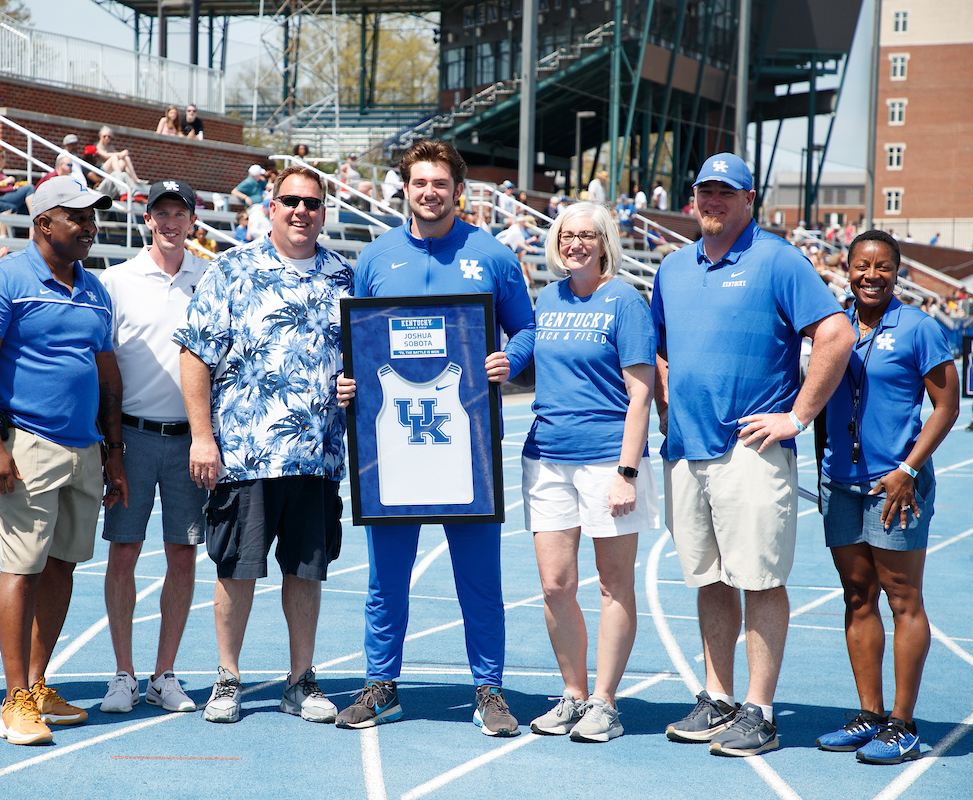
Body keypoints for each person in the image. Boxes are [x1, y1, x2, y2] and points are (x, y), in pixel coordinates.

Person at [652, 153, 855, 757]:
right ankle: (717, 698)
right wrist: (671, 406)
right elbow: (661, 350)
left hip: (750, 449)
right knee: (710, 579)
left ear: (749, 200)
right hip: (687, 450)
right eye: (704, 192)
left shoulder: (777, 259)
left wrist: (797, 417)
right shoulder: (672, 268)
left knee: (760, 579)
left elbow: (836, 334)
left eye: (724, 192)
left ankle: (760, 711)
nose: (712, 201)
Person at [334, 140, 535, 737]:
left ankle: (489, 690)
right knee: (385, 578)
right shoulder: (376, 257)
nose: (429, 193)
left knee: (480, 577)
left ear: (458, 190)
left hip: (466, 445)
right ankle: (381, 684)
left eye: (440, 184)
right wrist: (349, 384)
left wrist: (509, 360)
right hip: (393, 447)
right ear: (405, 188)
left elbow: (525, 329)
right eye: (419, 182)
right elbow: (359, 344)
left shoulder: (493, 255)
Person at [174, 165, 352, 725]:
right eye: (290, 201)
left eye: (313, 203)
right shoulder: (231, 268)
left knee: (307, 571)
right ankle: (227, 677)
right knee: (236, 568)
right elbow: (194, 354)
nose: (301, 211)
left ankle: (300, 680)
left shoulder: (345, 277)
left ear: (325, 212)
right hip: (245, 453)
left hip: (318, 456)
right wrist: (202, 437)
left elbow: (366, 356)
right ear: (270, 207)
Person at [0, 177, 124, 746]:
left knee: (62, 566)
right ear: (43, 223)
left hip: (85, 448)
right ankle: (13, 701)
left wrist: (114, 450)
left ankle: (37, 682)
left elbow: (106, 374)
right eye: (75, 215)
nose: (88, 225)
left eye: (92, 215)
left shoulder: (96, 289)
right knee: (22, 567)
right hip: (26, 443)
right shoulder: (2, 279)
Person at [814, 230, 959, 764]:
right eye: (860, 266)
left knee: (903, 600)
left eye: (881, 267)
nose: (870, 276)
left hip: (895, 487)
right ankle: (869, 714)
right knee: (857, 597)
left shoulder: (919, 327)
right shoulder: (832, 327)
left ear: (897, 272)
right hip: (841, 485)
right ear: (845, 269)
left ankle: (902, 723)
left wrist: (907, 469)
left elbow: (947, 407)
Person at [521, 202, 660, 742]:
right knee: (556, 585)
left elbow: (641, 392)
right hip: (547, 455)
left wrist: (626, 471)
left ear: (604, 242)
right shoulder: (548, 298)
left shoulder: (624, 299)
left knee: (612, 583)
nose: (575, 243)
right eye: (566, 235)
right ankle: (574, 695)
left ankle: (606, 701)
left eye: (586, 235)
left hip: (608, 459)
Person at [98, 180, 209, 716]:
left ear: (194, 222)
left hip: (191, 440)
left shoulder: (209, 279)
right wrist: (110, 444)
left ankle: (165, 673)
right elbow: (103, 364)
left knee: (182, 555)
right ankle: (124, 673)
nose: (169, 222)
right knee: (123, 553)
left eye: (178, 213)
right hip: (133, 438)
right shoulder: (115, 282)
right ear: (146, 220)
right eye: (159, 213)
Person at [0, 149, 35, 214]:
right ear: (1, 158)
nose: (5, 160)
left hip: (8, 195)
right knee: (29, 188)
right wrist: (7, 181)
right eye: (5, 158)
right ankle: (34, 216)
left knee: (24, 209)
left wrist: (14, 187)